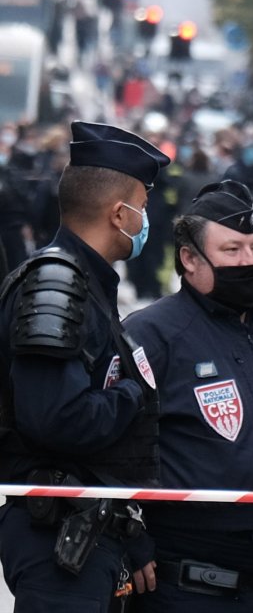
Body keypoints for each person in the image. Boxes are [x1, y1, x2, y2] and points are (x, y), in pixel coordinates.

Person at [122, 180, 253, 611]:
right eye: (231, 251)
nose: (249, 262)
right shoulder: (154, 335)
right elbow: (112, 445)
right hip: (195, 588)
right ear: (189, 259)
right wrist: (130, 538)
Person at [0, 121, 170, 611]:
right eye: (143, 204)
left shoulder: (87, 283)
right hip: (55, 535)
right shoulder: (57, 285)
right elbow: (59, 419)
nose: (146, 218)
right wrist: (135, 394)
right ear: (120, 213)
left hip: (88, 529)